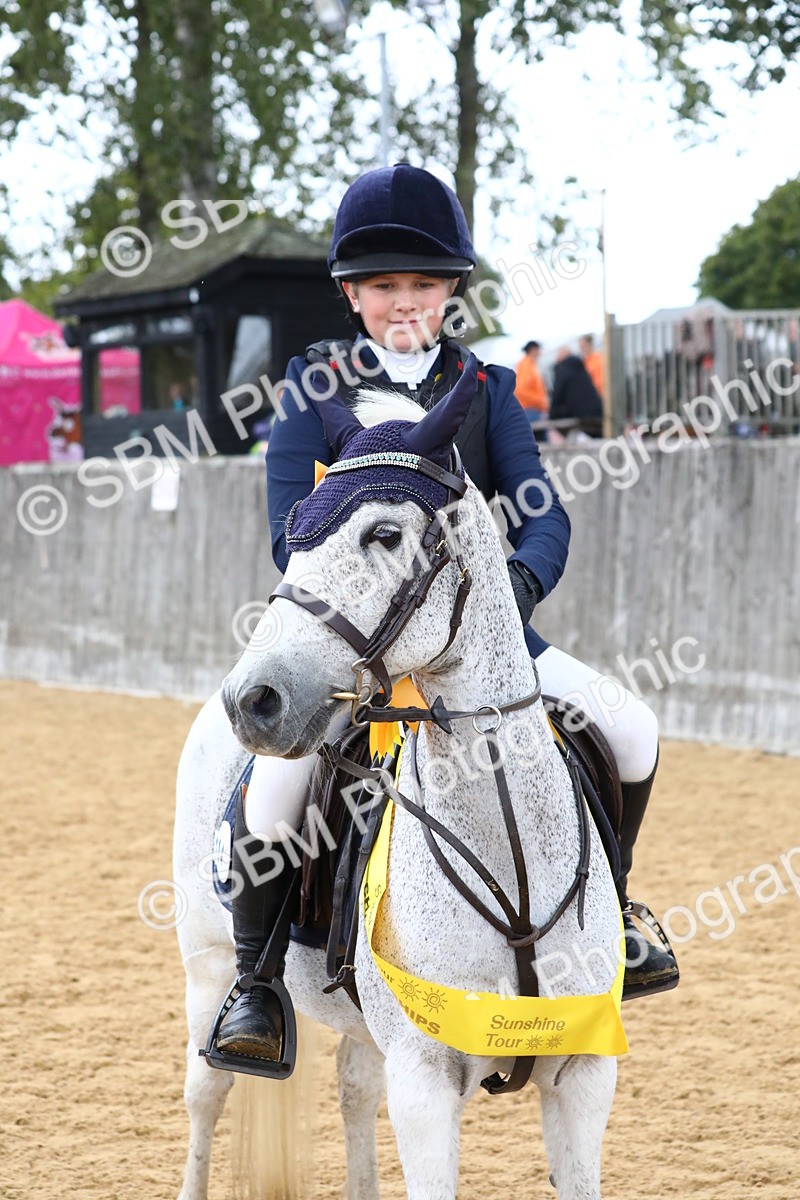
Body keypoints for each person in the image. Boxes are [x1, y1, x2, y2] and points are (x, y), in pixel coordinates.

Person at [213, 163, 678, 1064]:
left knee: (632, 728)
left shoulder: (487, 387)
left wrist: (515, 595)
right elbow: (289, 528)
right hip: (356, 646)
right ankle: (255, 983)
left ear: (451, 290)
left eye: (423, 284)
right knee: (273, 793)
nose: (404, 302)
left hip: (478, 638)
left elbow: (542, 514)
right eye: (384, 285)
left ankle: (613, 910)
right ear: (351, 293)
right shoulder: (313, 387)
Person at [550, 346, 604, 439]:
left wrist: (552, 416)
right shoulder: (581, 367)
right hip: (597, 412)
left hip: (579, 416)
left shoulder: (562, 369)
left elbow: (557, 395)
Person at [514, 340, 549, 425]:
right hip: (530, 409)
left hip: (531, 408)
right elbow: (520, 389)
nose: (540, 353)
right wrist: (540, 402)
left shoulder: (529, 364)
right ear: (533, 350)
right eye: (539, 350)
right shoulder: (526, 365)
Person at [579, 333, 605, 399]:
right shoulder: (584, 361)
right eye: (581, 347)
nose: (582, 349)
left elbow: (599, 380)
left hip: (598, 394)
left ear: (589, 344)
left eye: (583, 346)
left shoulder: (598, 359)